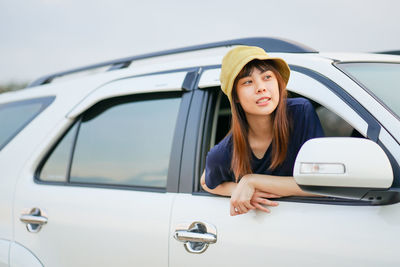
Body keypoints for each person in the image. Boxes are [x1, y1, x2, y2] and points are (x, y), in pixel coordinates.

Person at [200, 45, 324, 216]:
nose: (261, 87)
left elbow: (321, 182)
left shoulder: (300, 113)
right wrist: (238, 188)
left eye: (267, 77)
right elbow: (206, 182)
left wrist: (252, 181)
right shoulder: (224, 152)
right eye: (248, 82)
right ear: (235, 96)